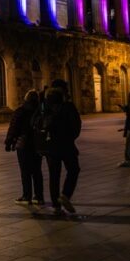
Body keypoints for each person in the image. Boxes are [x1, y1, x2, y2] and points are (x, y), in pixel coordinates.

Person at [39, 87, 82, 215]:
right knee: (74, 169)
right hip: (66, 145)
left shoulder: (45, 109)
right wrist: (70, 137)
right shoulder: (68, 107)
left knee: (54, 175)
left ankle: (56, 205)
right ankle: (65, 194)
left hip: (51, 146)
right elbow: (76, 126)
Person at [5, 90, 45, 206]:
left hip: (24, 144)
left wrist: (9, 142)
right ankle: (39, 196)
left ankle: (26, 195)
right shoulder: (40, 111)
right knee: (37, 171)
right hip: (37, 144)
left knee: (25, 171)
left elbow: (13, 128)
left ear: (26, 99)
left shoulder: (21, 111)